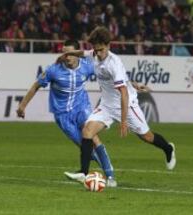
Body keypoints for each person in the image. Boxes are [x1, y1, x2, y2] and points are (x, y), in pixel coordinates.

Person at [63, 27, 176, 183]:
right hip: (107, 106)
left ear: (109, 45)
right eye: (96, 50)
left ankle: (168, 148)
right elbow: (83, 53)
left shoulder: (113, 63)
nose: (99, 53)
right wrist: (68, 54)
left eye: (102, 50)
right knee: (87, 130)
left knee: (147, 136)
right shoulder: (95, 54)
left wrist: (123, 121)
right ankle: (84, 172)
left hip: (127, 105)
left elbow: (124, 94)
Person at [16, 40, 117, 187]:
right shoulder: (53, 70)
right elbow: (35, 86)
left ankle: (110, 176)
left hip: (82, 108)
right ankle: (89, 172)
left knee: (92, 137)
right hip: (62, 115)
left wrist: (130, 85)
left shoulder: (87, 66)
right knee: (84, 146)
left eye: (70, 53)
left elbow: (110, 76)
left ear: (77, 53)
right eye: (64, 53)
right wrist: (22, 107)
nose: (67, 56)